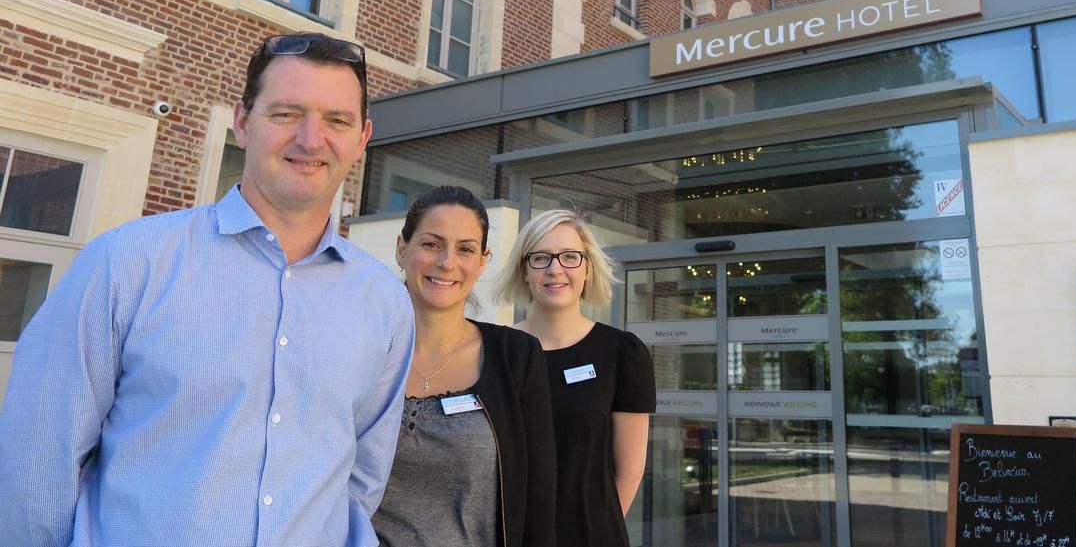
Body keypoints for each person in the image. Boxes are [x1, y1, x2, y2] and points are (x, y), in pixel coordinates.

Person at [0, 32, 415, 547]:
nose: (312, 140)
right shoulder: (126, 264)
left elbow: (360, 479)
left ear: (362, 137)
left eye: (337, 120)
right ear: (243, 122)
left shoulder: (384, 303)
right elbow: (39, 462)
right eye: (286, 114)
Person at [373, 185, 556, 547]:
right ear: (401, 248)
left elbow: (539, 497)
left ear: (483, 261)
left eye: (466, 249)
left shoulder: (515, 356)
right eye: (431, 244)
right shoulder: (357, 350)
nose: (447, 262)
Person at [497, 209, 657, 547]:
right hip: (508, 535)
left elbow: (629, 471)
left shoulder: (622, 353)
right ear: (524, 271)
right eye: (540, 257)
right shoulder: (496, 351)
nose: (556, 269)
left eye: (570, 257)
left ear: (587, 268)